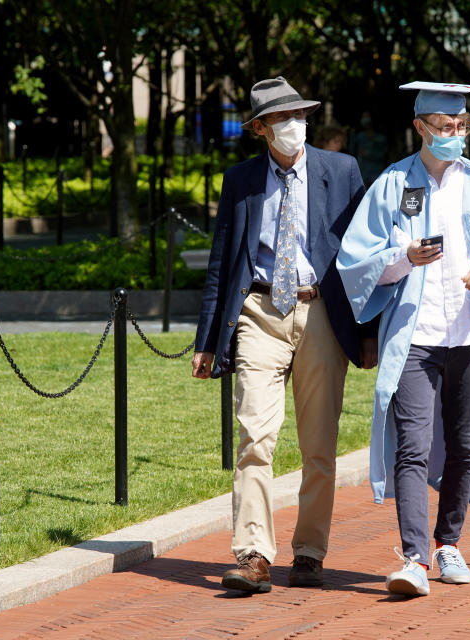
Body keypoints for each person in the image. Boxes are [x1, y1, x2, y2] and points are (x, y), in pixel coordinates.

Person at [337, 81, 470, 597]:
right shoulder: (390, 186)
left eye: (461, 127)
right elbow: (356, 262)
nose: (454, 135)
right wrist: (403, 257)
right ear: (420, 128)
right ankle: (412, 558)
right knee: (411, 446)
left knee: (465, 448)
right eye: (444, 127)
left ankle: (448, 544)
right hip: (415, 337)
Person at [191, 76, 378, 594]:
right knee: (254, 436)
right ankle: (253, 554)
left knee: (318, 445)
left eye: (300, 115)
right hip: (259, 312)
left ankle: (309, 552)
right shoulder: (241, 180)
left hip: (320, 312)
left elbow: (365, 257)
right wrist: (207, 341)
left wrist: (367, 334)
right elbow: (222, 262)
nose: (295, 125)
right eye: (282, 118)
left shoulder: (342, 172)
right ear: (259, 129)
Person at [349, 111, 388, 186]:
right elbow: (352, 151)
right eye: (363, 117)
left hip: (377, 174)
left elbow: (382, 155)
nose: (365, 119)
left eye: (367, 117)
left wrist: (367, 153)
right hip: (362, 174)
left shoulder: (380, 138)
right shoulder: (359, 136)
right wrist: (352, 136)